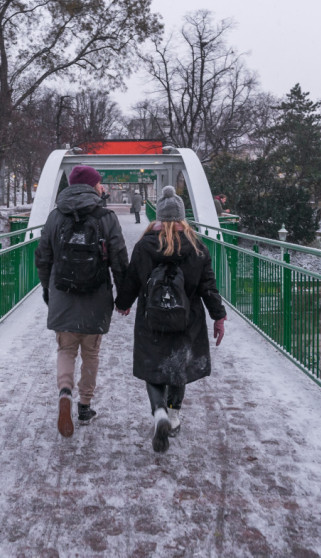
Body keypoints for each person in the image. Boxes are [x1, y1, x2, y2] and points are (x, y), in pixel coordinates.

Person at [115, 186, 227, 453]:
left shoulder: (144, 245)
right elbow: (208, 286)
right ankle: (174, 413)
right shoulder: (197, 247)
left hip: (152, 317)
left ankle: (159, 412)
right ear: (181, 218)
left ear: (159, 217)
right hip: (187, 318)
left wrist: (123, 303)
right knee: (179, 365)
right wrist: (218, 316)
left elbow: (132, 279)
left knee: (153, 365)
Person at [35, 165, 129, 438]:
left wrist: (47, 288)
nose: (101, 187)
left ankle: (65, 392)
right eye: (99, 182)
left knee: (65, 349)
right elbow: (119, 259)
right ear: (91, 186)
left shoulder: (55, 216)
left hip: (62, 294)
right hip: (96, 296)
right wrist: (123, 296)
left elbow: (42, 257)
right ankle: (85, 406)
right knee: (91, 353)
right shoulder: (106, 217)